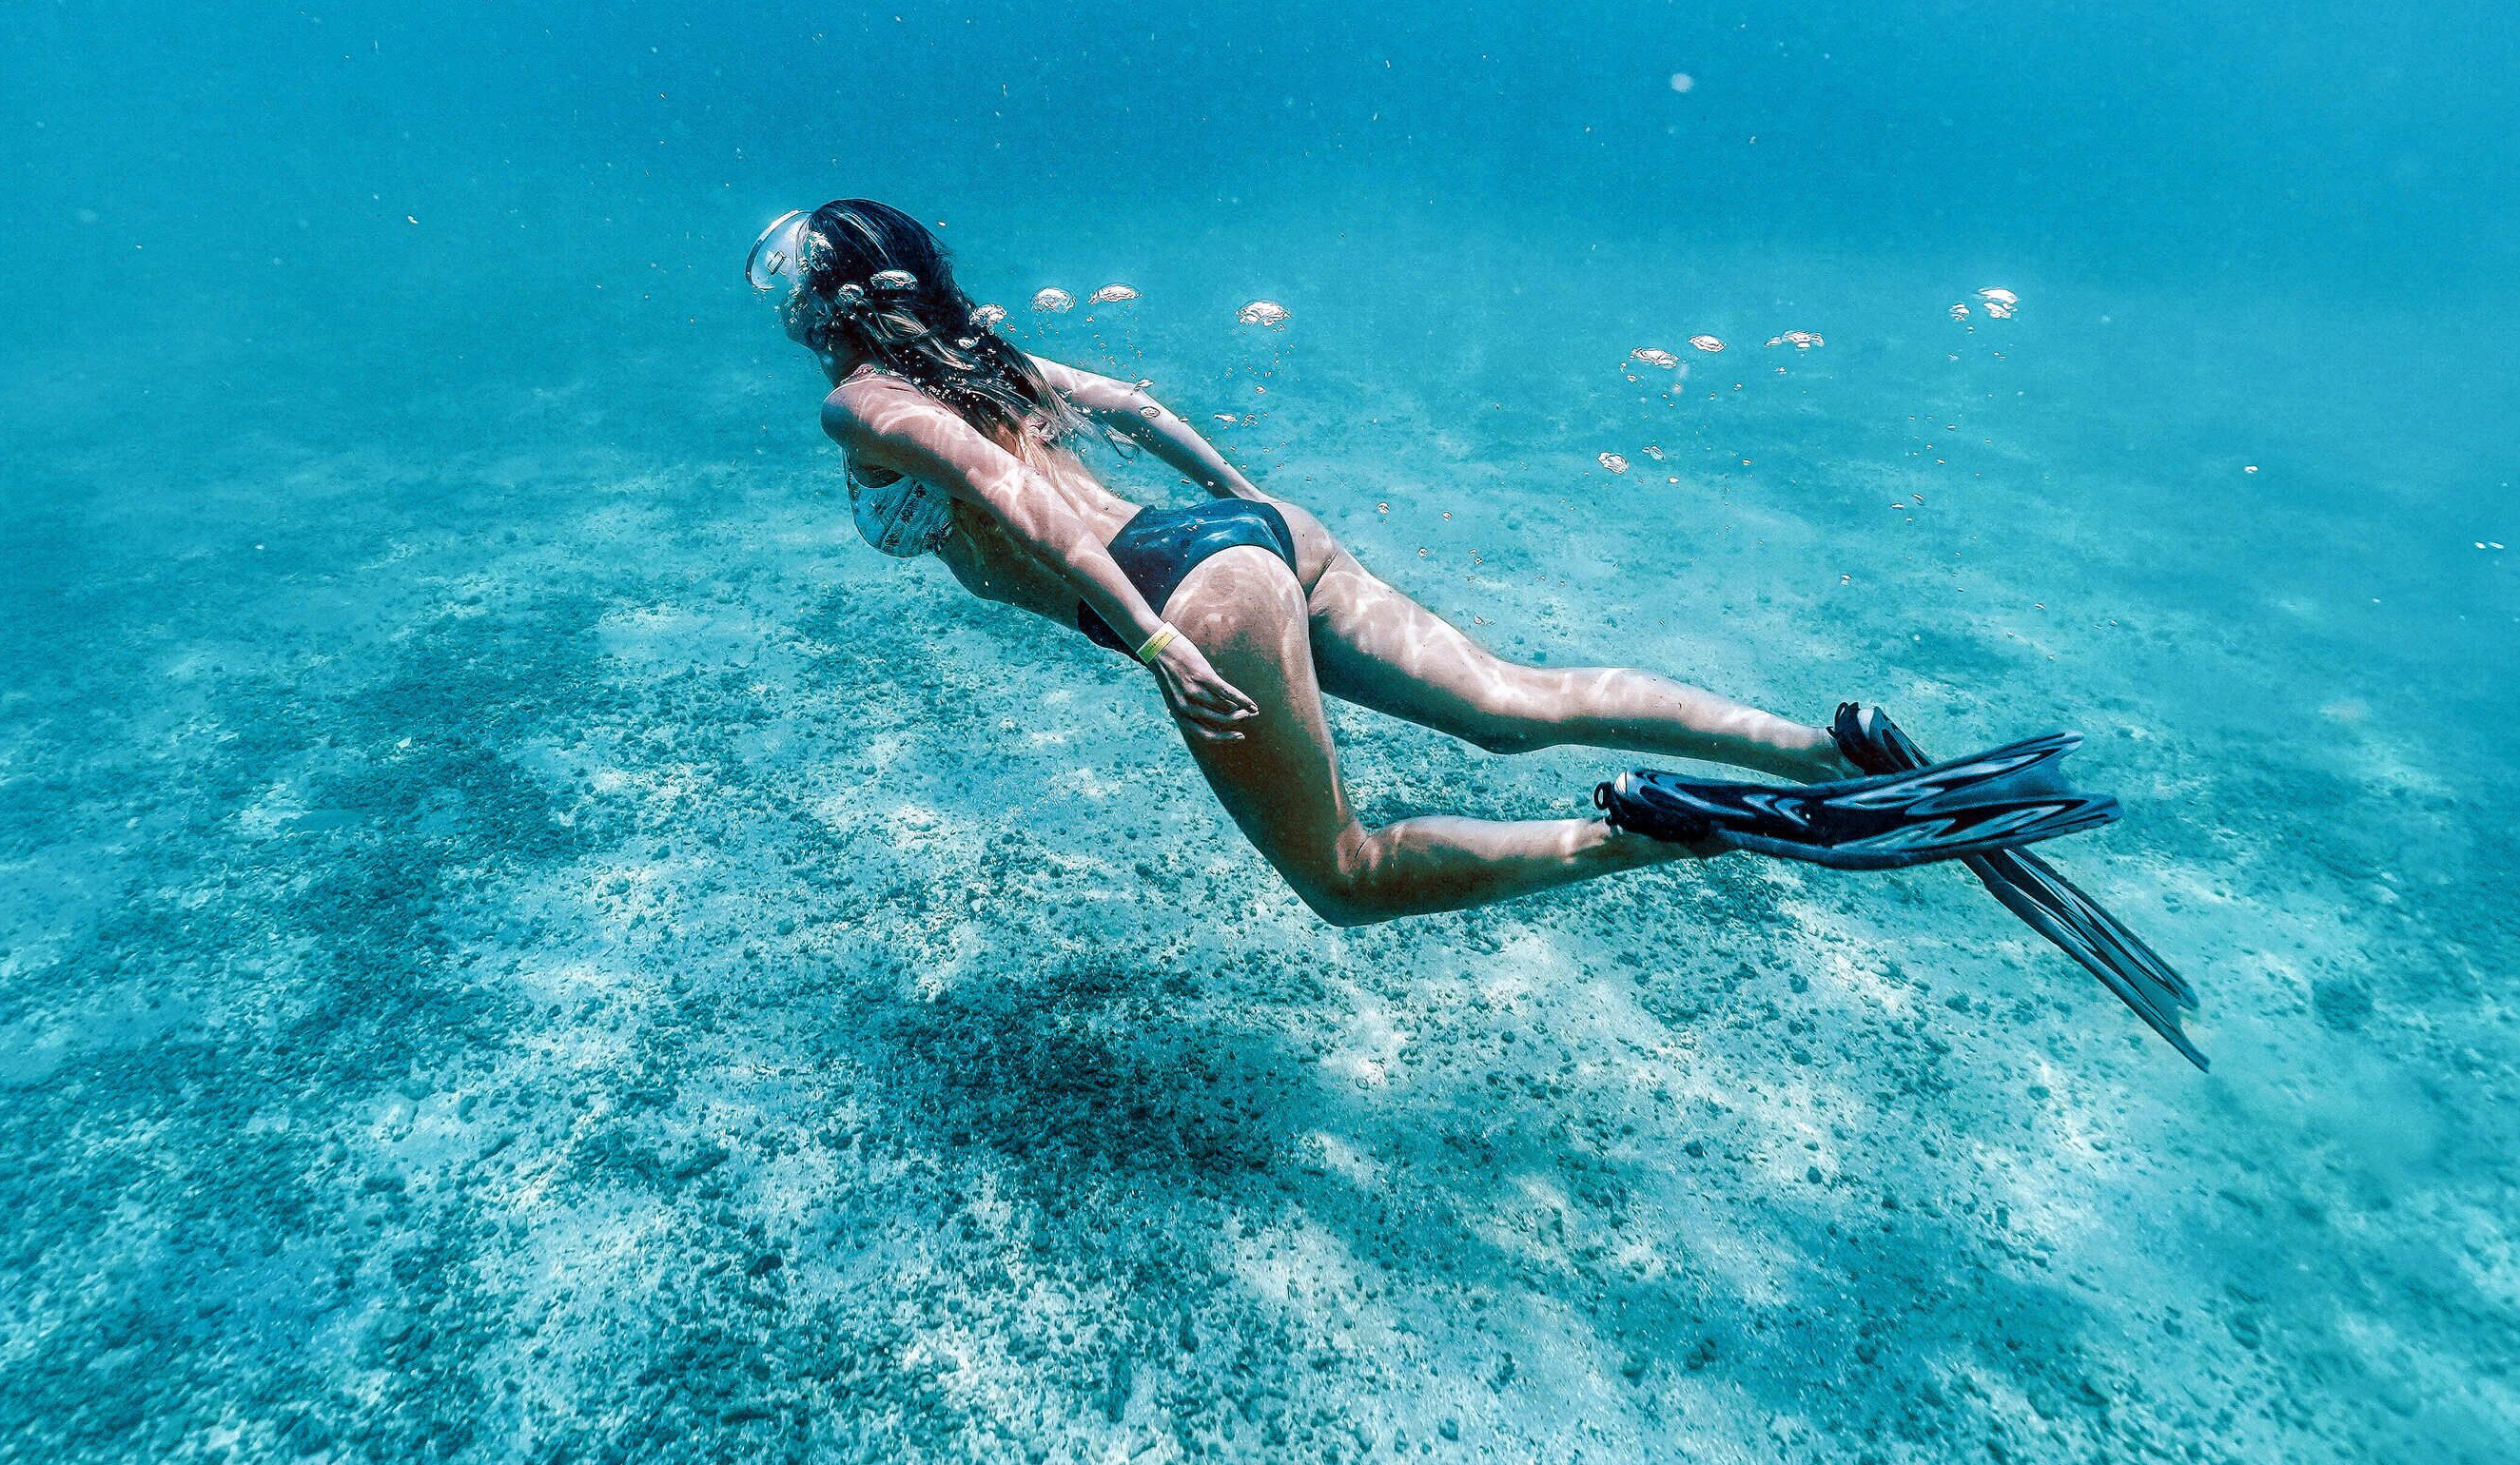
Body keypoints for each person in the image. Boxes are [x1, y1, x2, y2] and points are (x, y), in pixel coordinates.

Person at [746, 201, 2144, 947]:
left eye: (790, 289)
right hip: (1248, 549)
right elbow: (1135, 408)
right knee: (1513, 702)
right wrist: (1251, 515)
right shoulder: (991, 361)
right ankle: (1823, 745)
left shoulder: (865, 401)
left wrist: (1159, 639)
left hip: (1180, 601)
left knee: (1344, 881)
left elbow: (1005, 498)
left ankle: (1668, 831)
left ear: (824, 305)